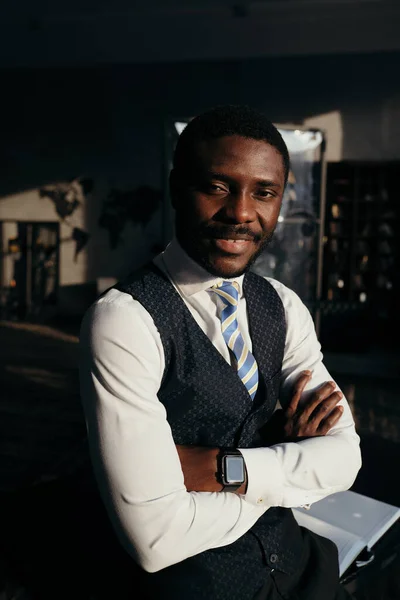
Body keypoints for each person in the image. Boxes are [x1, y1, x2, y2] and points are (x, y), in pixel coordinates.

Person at [79, 105, 361, 599]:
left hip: (304, 577)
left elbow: (345, 460)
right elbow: (156, 536)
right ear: (176, 190)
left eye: (264, 192)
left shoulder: (283, 305)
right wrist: (287, 467)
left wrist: (227, 469)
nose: (241, 212)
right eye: (217, 187)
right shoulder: (125, 320)